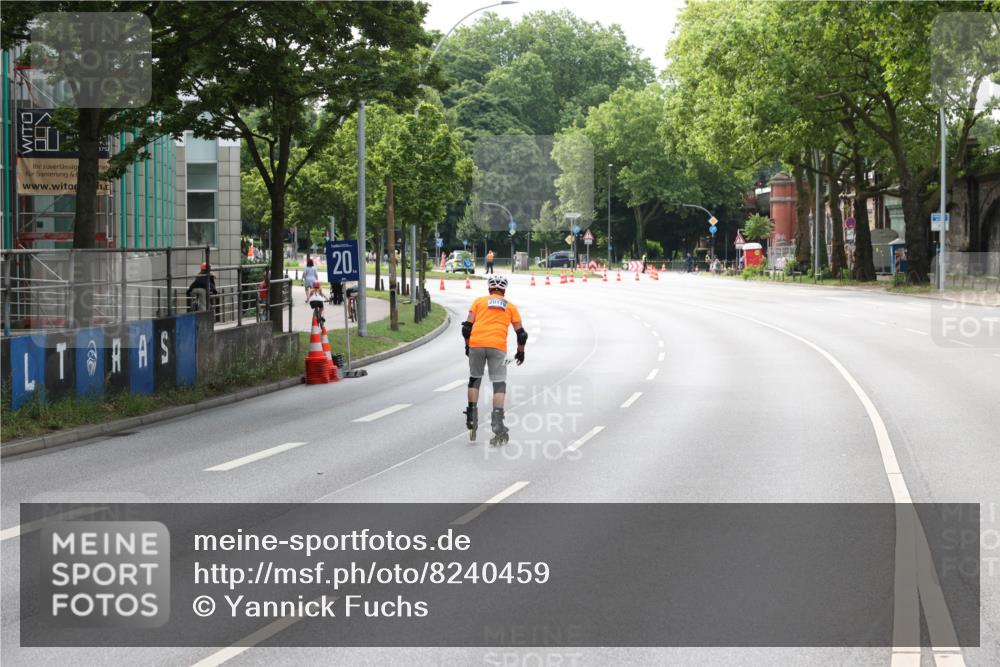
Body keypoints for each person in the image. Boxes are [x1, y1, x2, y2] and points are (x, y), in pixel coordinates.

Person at [462, 274, 527, 446]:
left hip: (476, 344)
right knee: (499, 384)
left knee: (474, 379)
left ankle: (471, 417)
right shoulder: (510, 306)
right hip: (498, 347)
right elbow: (521, 334)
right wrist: (520, 352)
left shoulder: (478, 302)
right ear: (504, 290)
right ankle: (497, 423)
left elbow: (466, 328)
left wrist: (468, 346)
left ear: (489, 288)